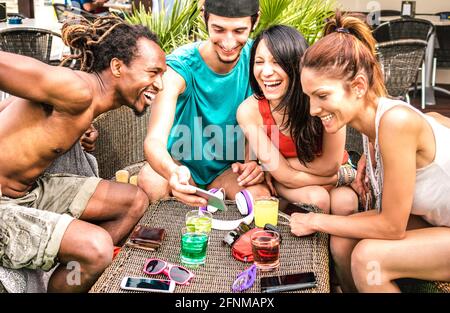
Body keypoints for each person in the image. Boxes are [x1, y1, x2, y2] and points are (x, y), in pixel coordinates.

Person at [0, 16, 166, 292]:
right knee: (97, 248)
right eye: (152, 72)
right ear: (117, 67)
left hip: (29, 192)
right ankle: (83, 263)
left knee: (134, 200)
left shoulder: (84, 103)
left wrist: (77, 136)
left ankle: (72, 276)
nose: (159, 84)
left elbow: (16, 114)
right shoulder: (75, 89)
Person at [293, 11, 450, 292]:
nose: (314, 110)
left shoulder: (394, 123)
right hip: (437, 222)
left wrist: (315, 220)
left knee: (369, 259)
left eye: (322, 96)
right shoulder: (375, 127)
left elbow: (392, 226)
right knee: (343, 242)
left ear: (358, 87)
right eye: (309, 97)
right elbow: (436, 122)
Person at [138, 0, 270, 209]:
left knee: (260, 197)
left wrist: (253, 162)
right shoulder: (180, 66)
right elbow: (154, 140)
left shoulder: (259, 60)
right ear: (204, 17)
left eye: (239, 31)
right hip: (181, 167)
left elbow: (265, 114)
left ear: (255, 22)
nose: (228, 42)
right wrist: (173, 173)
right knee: (151, 180)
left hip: (228, 171)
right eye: (219, 29)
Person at [237, 25, 358, 215]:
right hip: (291, 182)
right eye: (259, 62)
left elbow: (329, 165)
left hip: (329, 173)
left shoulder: (322, 99)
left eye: (277, 62)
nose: (266, 72)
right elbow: (285, 176)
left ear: (297, 65)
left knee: (346, 202)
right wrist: (345, 176)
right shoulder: (249, 111)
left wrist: (278, 164)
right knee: (317, 198)